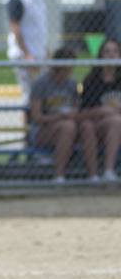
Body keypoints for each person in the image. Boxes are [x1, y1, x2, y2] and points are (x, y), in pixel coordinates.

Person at [29, 47, 95, 183]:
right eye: (66, 66)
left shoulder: (72, 84)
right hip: (43, 130)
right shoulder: (41, 84)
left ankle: (93, 175)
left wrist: (73, 115)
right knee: (67, 126)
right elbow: (36, 117)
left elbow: (76, 109)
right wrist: (59, 117)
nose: (69, 70)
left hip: (68, 125)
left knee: (87, 126)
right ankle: (59, 176)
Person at [6, 0, 47, 108]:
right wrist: (27, 54)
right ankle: (28, 129)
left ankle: (37, 128)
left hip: (38, 52)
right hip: (24, 54)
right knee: (30, 94)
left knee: (41, 92)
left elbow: (39, 25)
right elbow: (14, 26)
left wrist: (44, 49)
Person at [78, 38, 121, 182]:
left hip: (115, 125)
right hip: (96, 123)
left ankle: (108, 171)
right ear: (101, 55)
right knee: (87, 126)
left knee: (115, 121)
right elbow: (82, 113)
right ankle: (93, 176)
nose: (111, 55)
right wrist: (103, 111)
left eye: (115, 51)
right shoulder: (91, 80)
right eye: (107, 51)